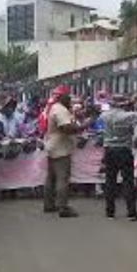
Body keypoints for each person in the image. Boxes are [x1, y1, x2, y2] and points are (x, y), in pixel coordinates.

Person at [100, 94, 137, 221]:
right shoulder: (129, 116)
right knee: (128, 181)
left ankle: (110, 212)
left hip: (109, 150)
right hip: (124, 149)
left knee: (110, 181)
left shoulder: (104, 116)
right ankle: (131, 212)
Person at [44, 88, 91, 218]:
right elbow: (66, 128)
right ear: (62, 97)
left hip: (52, 145)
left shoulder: (55, 107)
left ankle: (49, 204)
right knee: (62, 178)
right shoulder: (60, 110)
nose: (70, 100)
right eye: (68, 97)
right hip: (60, 147)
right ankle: (63, 207)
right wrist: (84, 125)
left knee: (51, 178)